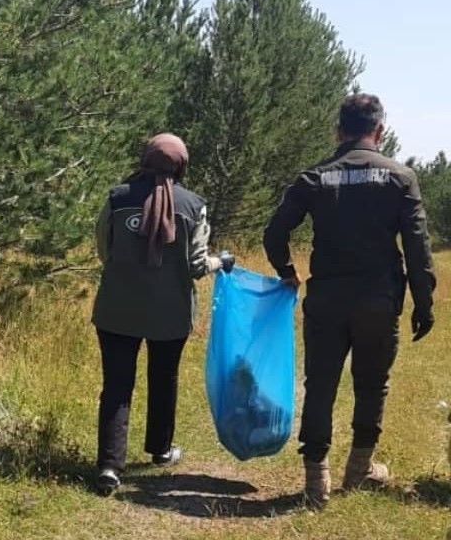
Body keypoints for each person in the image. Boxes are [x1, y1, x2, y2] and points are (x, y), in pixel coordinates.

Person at [263, 92, 435, 509]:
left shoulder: (315, 177)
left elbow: (274, 233)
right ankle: (358, 471)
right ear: (381, 129)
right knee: (372, 383)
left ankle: (315, 481)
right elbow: (417, 246)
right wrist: (423, 302)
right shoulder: (400, 177)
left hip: (326, 297)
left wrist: (288, 273)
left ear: (338, 129)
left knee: (320, 383)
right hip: (379, 297)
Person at [90, 133, 231, 497]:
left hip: (117, 309)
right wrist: (222, 262)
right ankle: (160, 450)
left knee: (117, 386)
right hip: (170, 313)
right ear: (181, 164)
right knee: (163, 379)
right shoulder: (192, 205)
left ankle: (109, 465)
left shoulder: (117, 198)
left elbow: (104, 249)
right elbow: (198, 265)